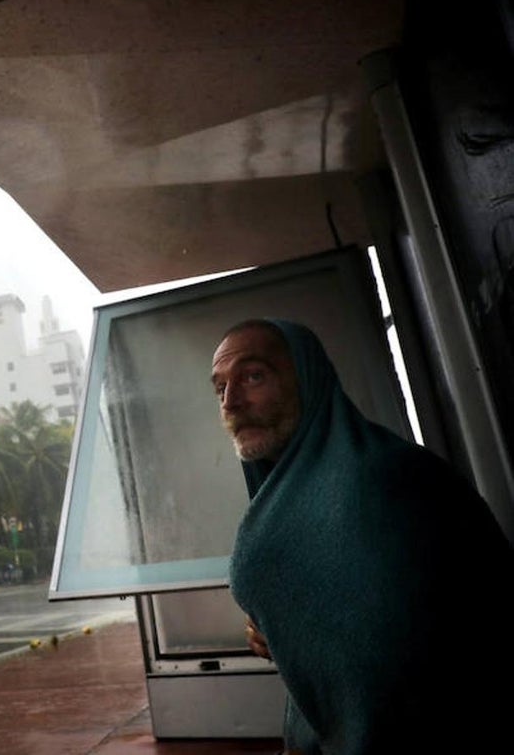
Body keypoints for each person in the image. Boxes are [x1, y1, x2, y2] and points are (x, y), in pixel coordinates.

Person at [210, 318, 514, 753]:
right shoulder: (297, 490)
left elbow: (403, 672)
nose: (231, 402)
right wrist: (288, 633)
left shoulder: (381, 481)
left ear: (308, 378)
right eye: (220, 388)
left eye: (253, 376)